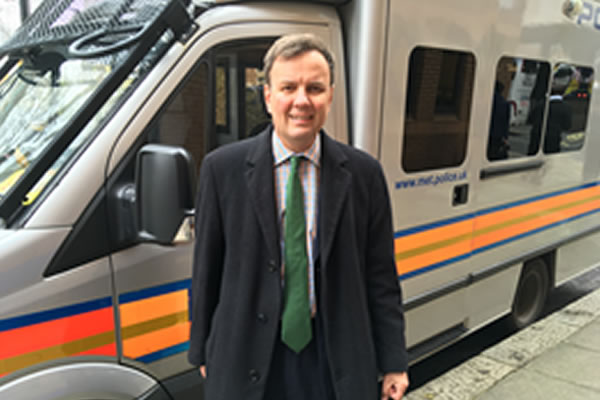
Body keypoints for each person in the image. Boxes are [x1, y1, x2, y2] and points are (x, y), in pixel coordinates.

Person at [188, 33, 409, 400]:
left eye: (315, 88)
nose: (301, 101)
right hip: (246, 352)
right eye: (288, 87)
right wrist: (202, 349)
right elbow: (206, 269)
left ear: (331, 95)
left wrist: (394, 360)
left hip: (332, 357)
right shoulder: (221, 170)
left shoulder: (364, 174)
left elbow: (380, 275)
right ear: (268, 96)